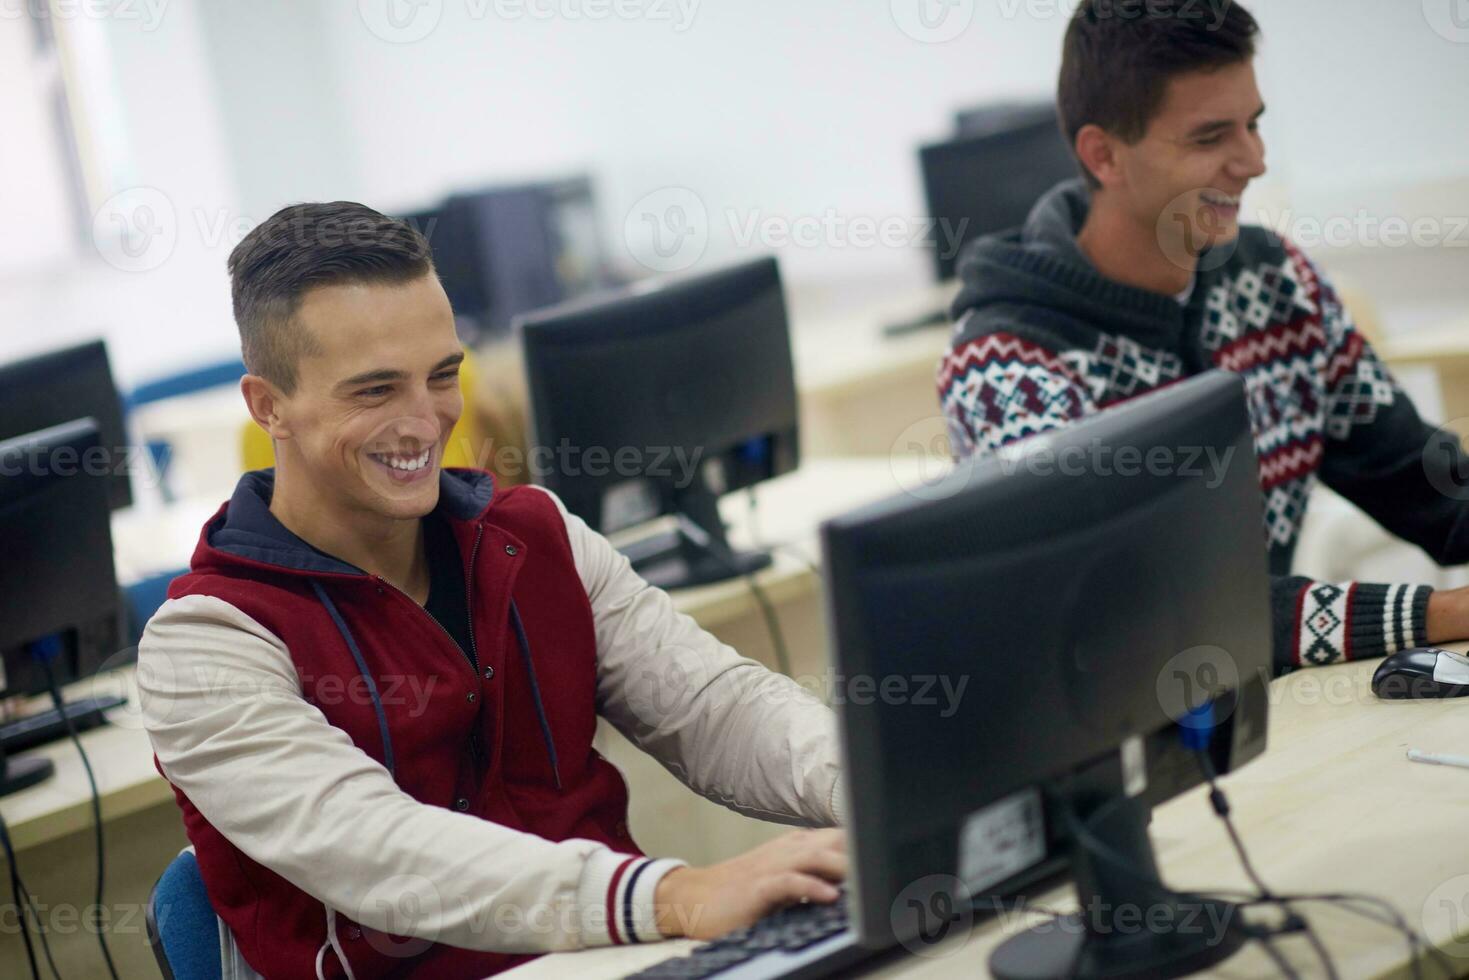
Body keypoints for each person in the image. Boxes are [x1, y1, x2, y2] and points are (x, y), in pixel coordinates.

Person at [138, 202, 846, 979]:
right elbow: (382, 852)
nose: (424, 421)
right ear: (268, 406)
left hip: (626, 961)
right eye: (374, 391)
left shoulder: (535, 535)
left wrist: (873, 786)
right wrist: (670, 897)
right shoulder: (204, 642)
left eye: (443, 376)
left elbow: (712, 707)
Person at [936, 0, 1469, 674]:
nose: (1252, 161)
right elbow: (1152, 617)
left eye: (1253, 124)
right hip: (1104, 742)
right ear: (1103, 155)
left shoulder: (1275, 280)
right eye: (1210, 137)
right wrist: (1442, 614)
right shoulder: (1008, 366)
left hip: (1246, 711)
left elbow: (1423, 485)